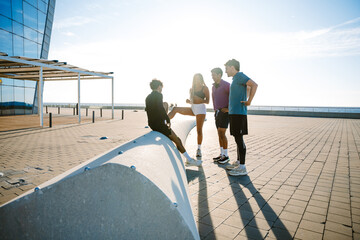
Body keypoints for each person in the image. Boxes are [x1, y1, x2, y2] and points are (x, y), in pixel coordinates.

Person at [145, 79, 202, 167]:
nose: (162, 89)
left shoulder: (148, 97)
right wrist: (167, 120)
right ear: (159, 86)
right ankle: (189, 160)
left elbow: (150, 110)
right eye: (161, 87)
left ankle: (189, 159)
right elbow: (160, 109)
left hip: (152, 124)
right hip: (160, 125)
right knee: (177, 140)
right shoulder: (159, 95)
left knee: (166, 104)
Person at [224, 59, 258, 176]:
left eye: (226, 68)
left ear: (232, 67)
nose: (225, 71)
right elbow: (247, 88)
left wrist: (249, 101)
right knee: (237, 138)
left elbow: (254, 85)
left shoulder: (239, 76)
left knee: (239, 139)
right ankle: (239, 162)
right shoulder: (236, 79)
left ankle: (242, 167)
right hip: (234, 113)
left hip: (239, 113)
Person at [168, 73, 209, 158]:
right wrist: (189, 101)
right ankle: (164, 120)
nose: (197, 80)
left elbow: (207, 101)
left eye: (198, 79)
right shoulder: (191, 89)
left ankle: (198, 149)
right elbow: (192, 101)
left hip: (201, 110)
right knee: (175, 109)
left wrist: (200, 99)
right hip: (193, 108)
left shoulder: (204, 88)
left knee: (199, 130)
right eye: (195, 79)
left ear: (201, 79)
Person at [211, 68, 231, 164]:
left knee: (222, 133)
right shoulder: (213, 86)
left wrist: (228, 109)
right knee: (219, 133)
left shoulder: (227, 85)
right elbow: (213, 98)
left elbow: (233, 98)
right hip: (217, 113)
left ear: (219, 75)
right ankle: (222, 154)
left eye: (214, 74)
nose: (212, 76)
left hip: (225, 113)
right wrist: (215, 109)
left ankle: (226, 155)